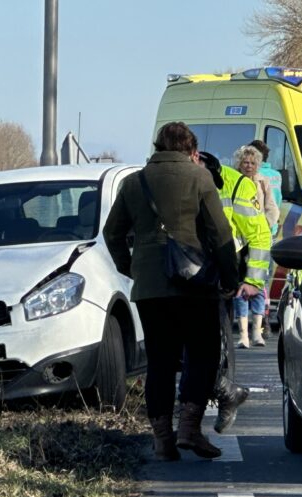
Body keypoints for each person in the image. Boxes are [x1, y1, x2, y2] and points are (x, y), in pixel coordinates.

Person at [104, 122, 239, 461]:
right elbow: (220, 233)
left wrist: (130, 267)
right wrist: (230, 276)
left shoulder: (134, 182)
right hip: (194, 284)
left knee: (160, 361)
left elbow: (112, 233)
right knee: (204, 354)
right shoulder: (200, 178)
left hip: (151, 288)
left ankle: (163, 439)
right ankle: (190, 429)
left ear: (158, 147)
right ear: (189, 149)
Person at [195, 150, 272, 432]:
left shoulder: (238, 185)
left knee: (214, 345)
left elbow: (259, 233)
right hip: (187, 271)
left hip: (220, 274)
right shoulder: (175, 179)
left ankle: (221, 393)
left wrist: (253, 280)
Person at [233, 144, 277, 348]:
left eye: (252, 163)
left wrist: (264, 227)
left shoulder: (264, 182)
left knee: (259, 285)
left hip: (259, 241)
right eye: (245, 162)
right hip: (239, 242)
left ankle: (257, 332)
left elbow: (272, 209)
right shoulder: (232, 181)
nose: (248, 166)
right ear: (239, 164)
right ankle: (243, 335)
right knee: (240, 286)